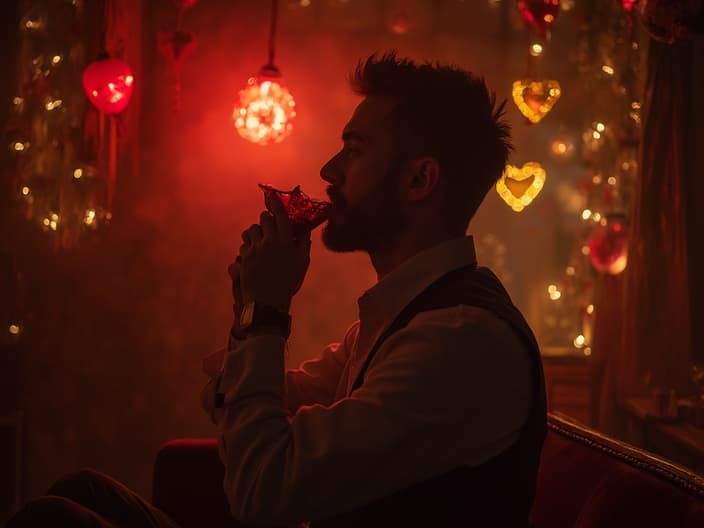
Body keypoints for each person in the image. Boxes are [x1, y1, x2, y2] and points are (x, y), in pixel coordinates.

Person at [6, 52, 546, 528]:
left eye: (354, 150)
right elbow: (230, 398)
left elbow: (262, 490)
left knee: (54, 520)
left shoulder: (458, 339)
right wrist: (251, 307)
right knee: (82, 491)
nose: (328, 169)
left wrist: (268, 309)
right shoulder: (402, 316)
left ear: (419, 181)